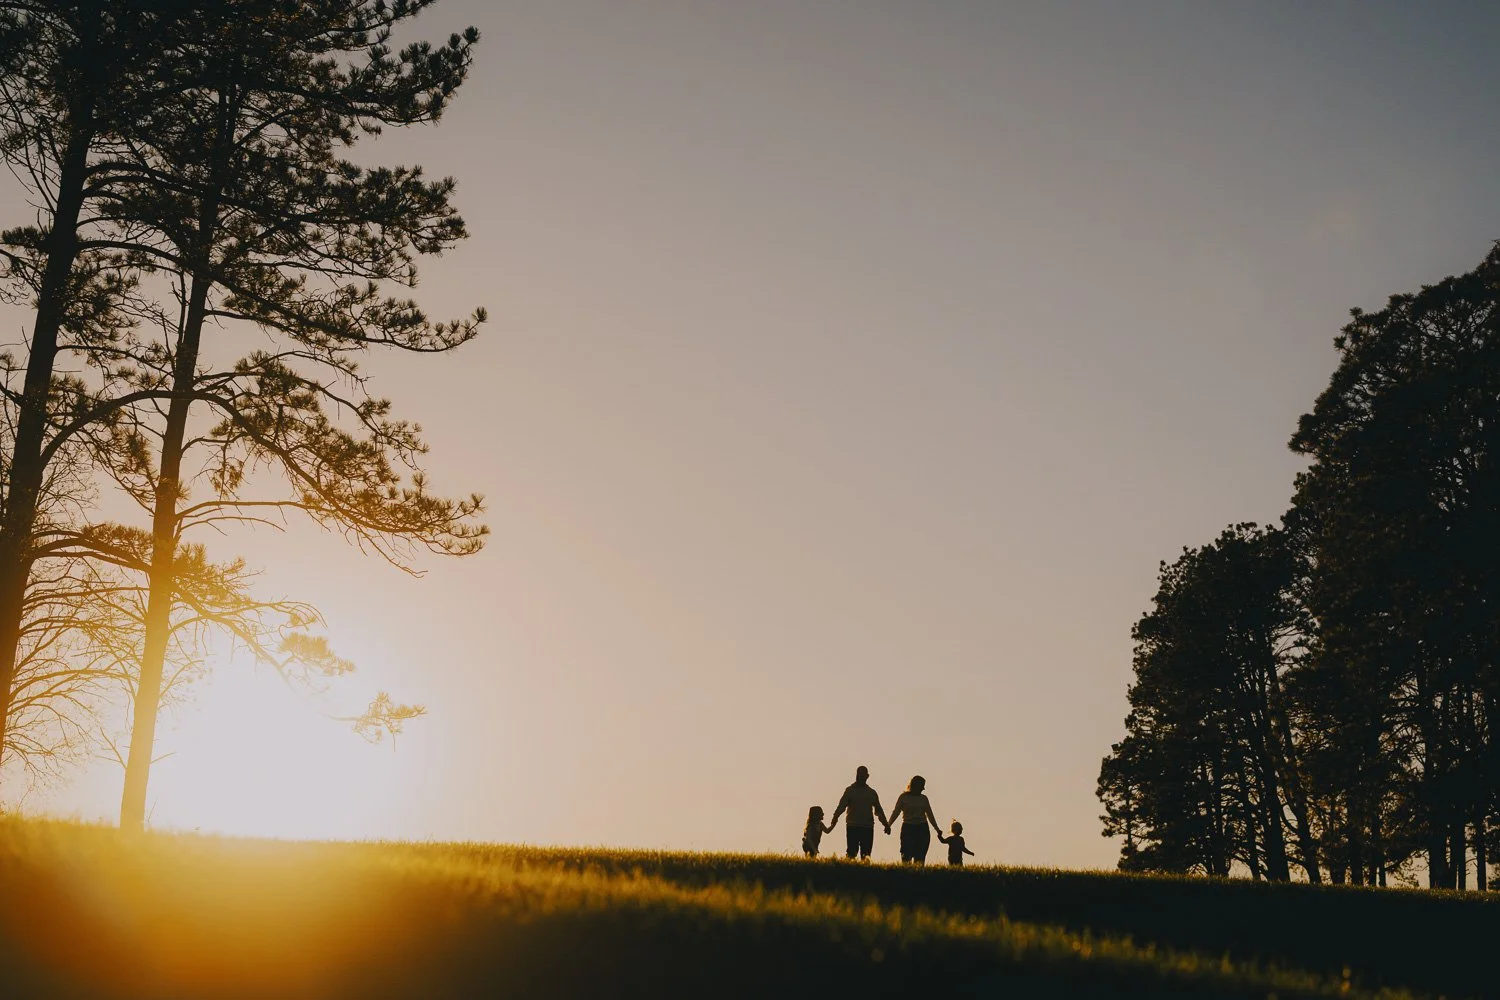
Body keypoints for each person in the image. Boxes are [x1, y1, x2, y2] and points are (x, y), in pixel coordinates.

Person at [828, 765, 889, 860]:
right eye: (859, 774)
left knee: (866, 854)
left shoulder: (871, 793)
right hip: (853, 825)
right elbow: (842, 806)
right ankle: (849, 872)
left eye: (863, 774)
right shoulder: (850, 790)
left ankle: (864, 873)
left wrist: (886, 824)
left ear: (867, 776)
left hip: (867, 826)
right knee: (851, 852)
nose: (860, 776)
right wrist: (835, 817)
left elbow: (879, 810)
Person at [886, 775, 942, 864]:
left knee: (920, 856)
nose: (923, 788)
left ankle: (918, 875)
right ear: (915, 785)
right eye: (922, 785)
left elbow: (930, 815)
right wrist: (888, 825)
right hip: (908, 828)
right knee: (906, 855)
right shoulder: (903, 797)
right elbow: (896, 812)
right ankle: (906, 875)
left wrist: (937, 829)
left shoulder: (924, 798)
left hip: (922, 828)